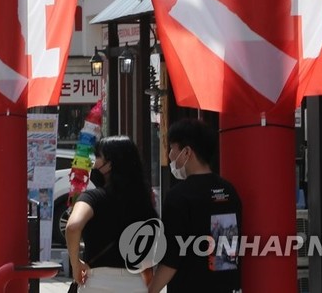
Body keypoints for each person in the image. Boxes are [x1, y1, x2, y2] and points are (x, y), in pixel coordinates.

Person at [148, 118, 242, 293]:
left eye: (172, 149)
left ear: (187, 152)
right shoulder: (229, 191)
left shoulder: (178, 196)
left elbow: (172, 258)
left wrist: (151, 290)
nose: (169, 155)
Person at [66, 135, 158, 292]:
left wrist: (76, 265)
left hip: (96, 282)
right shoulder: (145, 205)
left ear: (109, 164)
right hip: (134, 283)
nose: (94, 163)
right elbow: (148, 262)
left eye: (98, 157)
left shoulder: (92, 198)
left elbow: (73, 227)